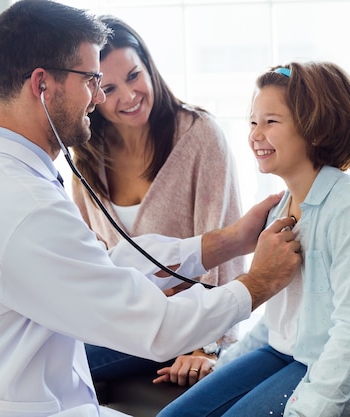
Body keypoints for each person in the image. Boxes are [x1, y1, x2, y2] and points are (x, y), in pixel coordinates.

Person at [0, 2, 303, 417]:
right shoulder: (21, 203)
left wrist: (226, 242)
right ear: (42, 85)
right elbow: (154, 326)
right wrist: (259, 282)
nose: (99, 96)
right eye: (93, 80)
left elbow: (96, 265)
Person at [158, 61, 350, 417]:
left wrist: (310, 411)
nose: (256, 135)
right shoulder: (281, 209)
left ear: (316, 129)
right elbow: (281, 320)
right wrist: (222, 364)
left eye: (271, 122)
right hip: (290, 354)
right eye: (253, 122)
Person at [71, 15, 244, 387]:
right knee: (42, 351)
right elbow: (91, 261)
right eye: (110, 88)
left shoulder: (200, 136)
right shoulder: (87, 156)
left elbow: (227, 246)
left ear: (149, 66)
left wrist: (207, 345)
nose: (129, 97)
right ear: (93, 94)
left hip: (184, 322)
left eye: (134, 76)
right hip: (118, 322)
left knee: (53, 364)